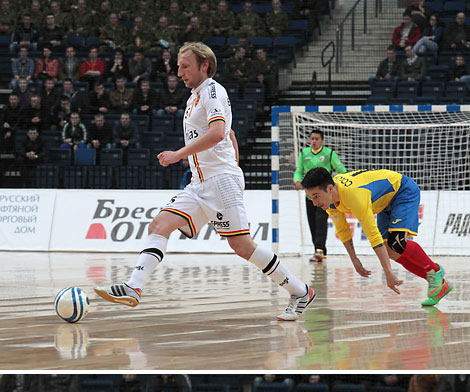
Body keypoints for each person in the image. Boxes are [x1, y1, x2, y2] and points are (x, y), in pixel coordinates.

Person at [93, 40, 315, 325]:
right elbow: (228, 132)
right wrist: (230, 155)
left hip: (219, 182)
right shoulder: (196, 95)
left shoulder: (212, 90)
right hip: (200, 183)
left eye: (185, 66)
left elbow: (219, 132)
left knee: (243, 247)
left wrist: (178, 155)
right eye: (177, 66)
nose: (179, 72)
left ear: (204, 66)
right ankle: (133, 287)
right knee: (159, 225)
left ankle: (300, 291)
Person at [302, 164, 452, 309]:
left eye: (316, 197)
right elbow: (343, 230)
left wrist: (388, 273)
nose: (314, 203)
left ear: (329, 189)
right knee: (390, 251)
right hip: (383, 202)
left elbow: (373, 236)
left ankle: (435, 271)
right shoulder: (330, 201)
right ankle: (438, 283)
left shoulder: (354, 196)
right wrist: (355, 260)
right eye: (311, 198)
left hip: (402, 190)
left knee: (396, 243)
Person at [293, 127, 346, 262]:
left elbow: (341, 170)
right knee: (312, 223)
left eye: (317, 139)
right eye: (312, 139)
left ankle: (319, 250)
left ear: (322, 140)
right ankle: (319, 249)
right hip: (309, 196)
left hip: (324, 195)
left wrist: (340, 184)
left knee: (321, 220)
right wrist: (297, 181)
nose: (314, 141)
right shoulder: (304, 153)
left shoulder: (329, 153)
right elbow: (299, 170)